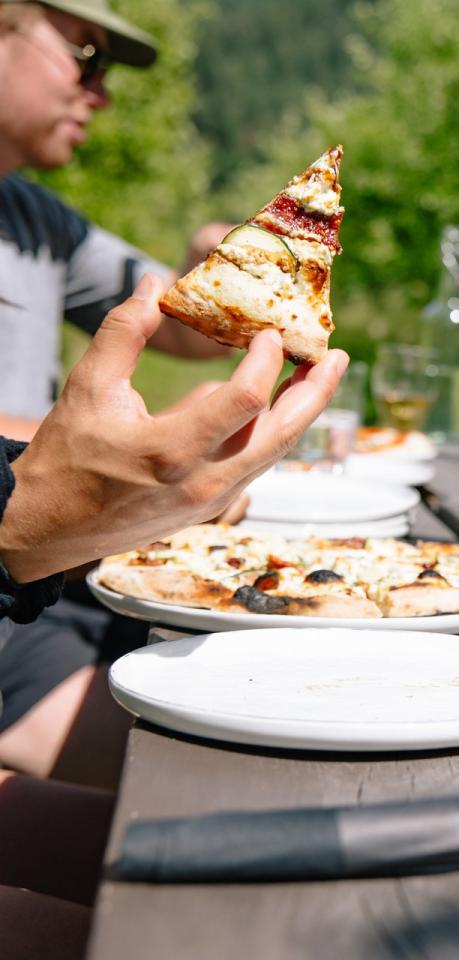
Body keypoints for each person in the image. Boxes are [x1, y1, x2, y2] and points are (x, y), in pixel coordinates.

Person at [0, 276, 348, 958]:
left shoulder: (46, 225)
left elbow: (189, 321)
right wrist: (49, 495)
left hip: (27, 610)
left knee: (282, 852)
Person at [0, 0, 237, 786]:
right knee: (211, 776)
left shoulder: (36, 219)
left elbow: (190, 328)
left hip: (59, 576)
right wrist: (150, 449)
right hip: (19, 608)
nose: (100, 94)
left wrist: (224, 264)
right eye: (86, 57)